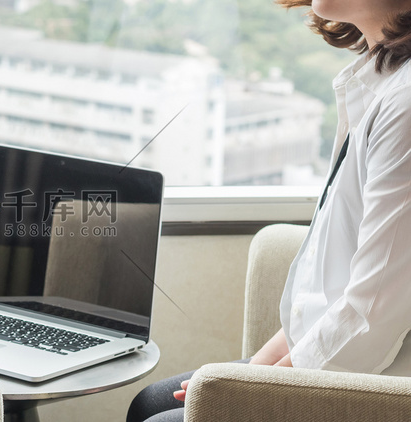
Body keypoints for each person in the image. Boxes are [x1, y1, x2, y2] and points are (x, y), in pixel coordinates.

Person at [127, 0, 411, 420]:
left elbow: (371, 317)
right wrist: (251, 372)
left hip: (375, 384)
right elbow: (330, 294)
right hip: (334, 359)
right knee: (150, 402)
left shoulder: (405, 103)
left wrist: (254, 389)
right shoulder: (376, 79)